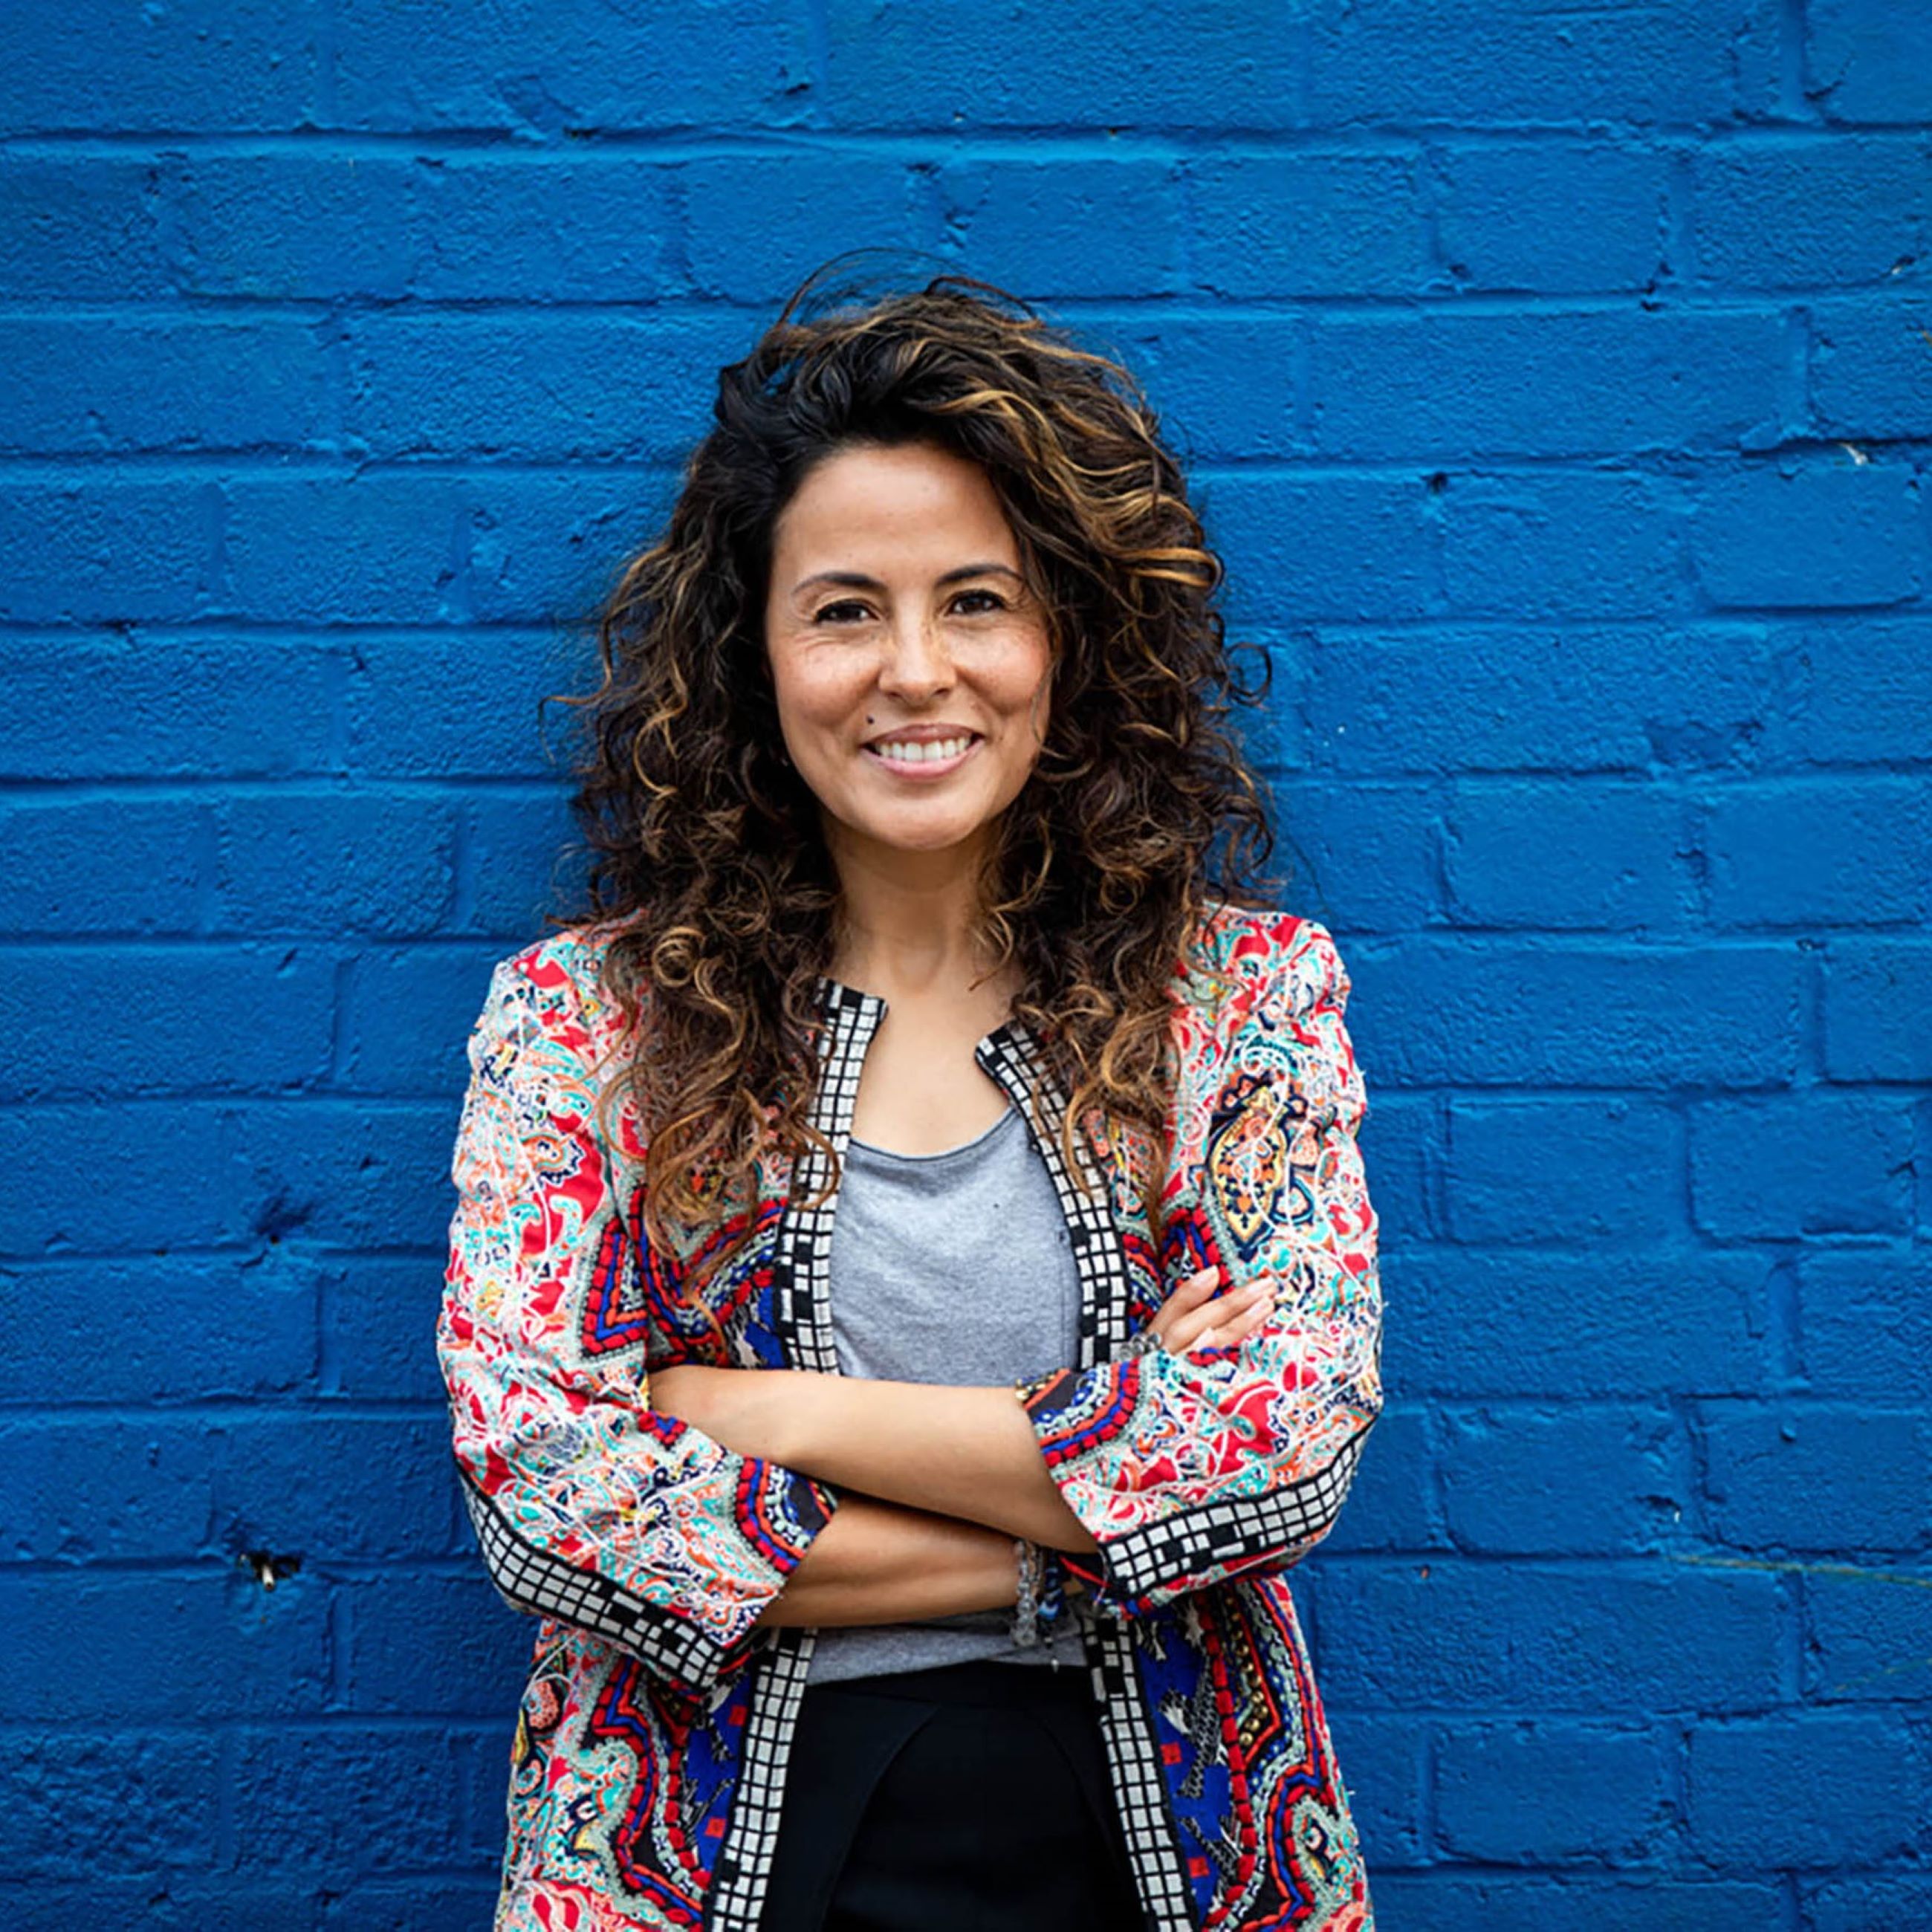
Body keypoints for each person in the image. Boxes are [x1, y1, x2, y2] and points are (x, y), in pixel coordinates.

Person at [438, 265, 1381, 1932]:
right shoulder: (584, 1024)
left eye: (976, 600)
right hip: (707, 1861)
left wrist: (743, 1408)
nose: (915, 671)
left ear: (1064, 641)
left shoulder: (1244, 1001)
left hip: (1163, 1845)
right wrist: (1095, 1498)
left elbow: (1280, 1460)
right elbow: (541, 1493)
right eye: (845, 607)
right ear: (756, 652)